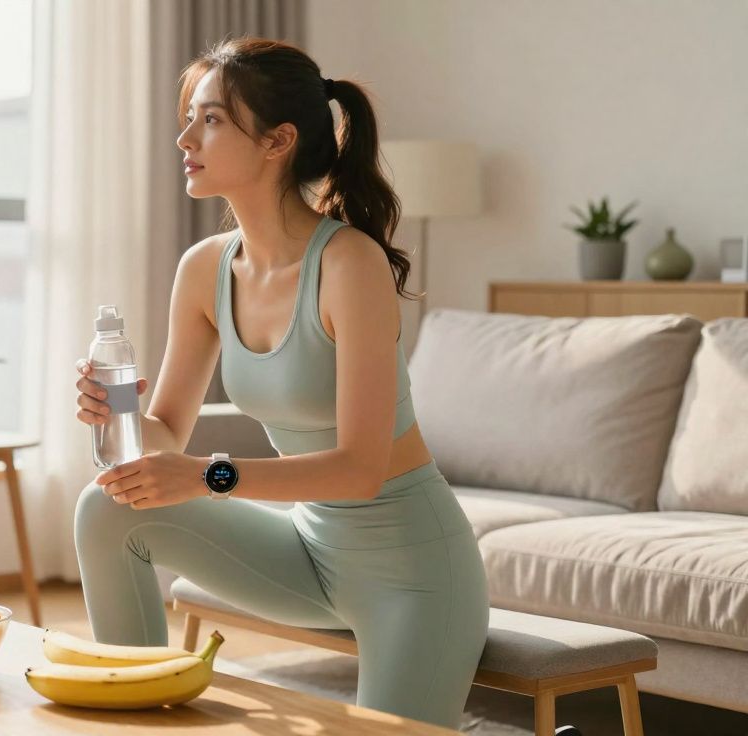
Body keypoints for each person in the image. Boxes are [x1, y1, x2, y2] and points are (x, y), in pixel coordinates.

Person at [71, 36, 488, 730]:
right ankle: (133, 715)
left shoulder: (350, 263)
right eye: (190, 118)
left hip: (413, 574)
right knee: (106, 508)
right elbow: (164, 432)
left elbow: (360, 470)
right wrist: (112, 418)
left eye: (210, 119)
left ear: (278, 141)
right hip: (308, 552)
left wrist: (202, 474)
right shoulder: (205, 268)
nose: (185, 137)